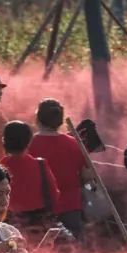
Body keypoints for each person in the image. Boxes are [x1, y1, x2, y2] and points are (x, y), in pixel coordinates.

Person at [27, 98, 92, 243]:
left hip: (40, 208)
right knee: (73, 251)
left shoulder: (29, 145)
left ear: (37, 119)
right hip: (71, 206)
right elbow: (87, 175)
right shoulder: (74, 144)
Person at [0, 120, 61, 247]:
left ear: (4, 141)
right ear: (29, 141)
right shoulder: (40, 165)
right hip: (39, 227)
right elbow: (54, 195)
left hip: (9, 227)